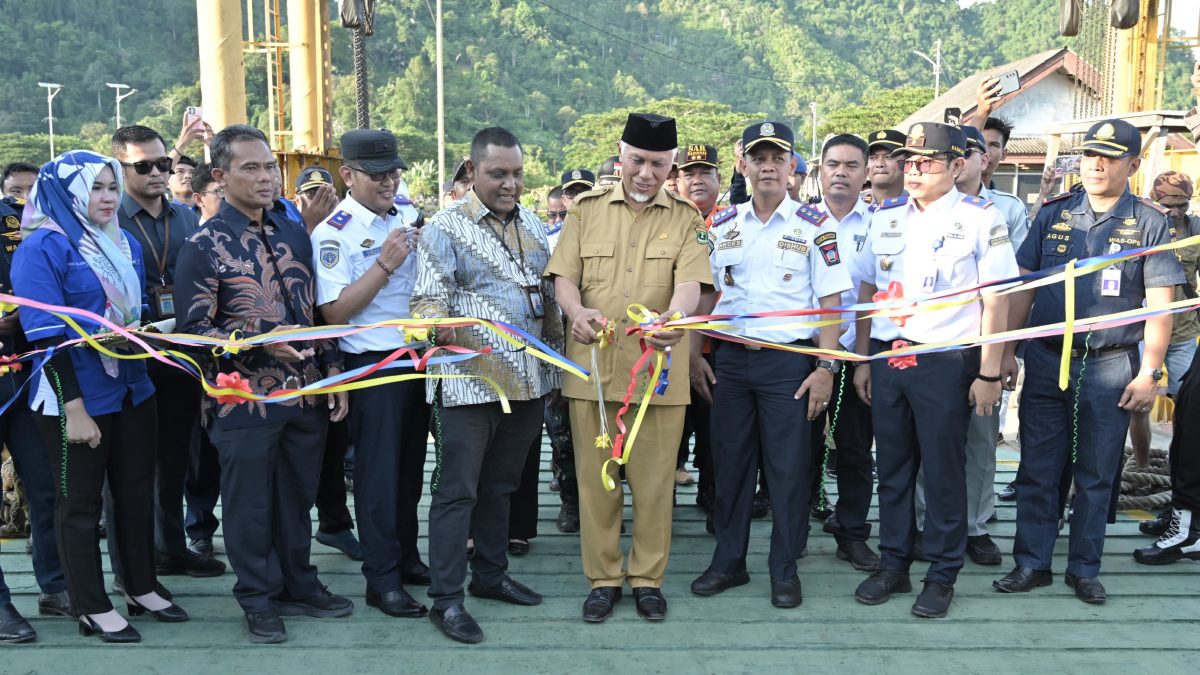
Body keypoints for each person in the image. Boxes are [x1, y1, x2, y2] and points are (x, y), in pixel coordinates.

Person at [175, 124, 352, 644]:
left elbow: (317, 311)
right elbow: (192, 332)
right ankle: (257, 597)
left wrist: (334, 370)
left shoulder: (294, 230)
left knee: (297, 497)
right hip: (242, 401)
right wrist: (257, 342)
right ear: (220, 175)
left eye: (269, 167)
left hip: (304, 390)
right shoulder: (203, 245)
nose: (265, 177)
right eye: (249, 168)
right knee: (249, 503)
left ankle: (299, 583)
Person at [994, 119, 1183, 604]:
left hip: (1111, 365)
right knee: (1038, 468)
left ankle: (1084, 569)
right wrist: (1009, 350)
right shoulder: (1053, 214)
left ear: (1133, 165)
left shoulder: (1150, 221)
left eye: (1110, 157)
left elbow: (1161, 304)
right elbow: (1025, 286)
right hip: (1047, 359)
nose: (1096, 164)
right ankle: (1032, 563)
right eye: (1091, 155)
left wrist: (1151, 371)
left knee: (1097, 473)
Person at [13, 150, 189, 643]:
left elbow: (133, 316)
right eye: (96, 188)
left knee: (136, 493)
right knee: (80, 503)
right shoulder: (45, 247)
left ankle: (140, 586)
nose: (108, 197)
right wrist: (74, 409)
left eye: (112, 187)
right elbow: (47, 336)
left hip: (132, 386)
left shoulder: (123, 242)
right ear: (66, 192)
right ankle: (90, 604)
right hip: (78, 397)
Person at [546, 112, 712, 623]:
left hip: (657, 372)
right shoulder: (585, 211)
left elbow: (691, 285)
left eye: (658, 164)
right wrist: (574, 312)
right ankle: (603, 579)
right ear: (621, 156)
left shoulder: (686, 218)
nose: (645, 173)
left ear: (671, 166)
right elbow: (564, 278)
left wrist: (676, 318)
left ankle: (646, 578)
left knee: (657, 484)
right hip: (593, 371)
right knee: (598, 483)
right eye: (637, 160)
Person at [851, 122, 1016, 618]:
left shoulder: (980, 219)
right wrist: (863, 359)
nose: (915, 170)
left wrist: (988, 373)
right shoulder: (884, 218)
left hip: (945, 360)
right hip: (887, 358)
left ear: (957, 166)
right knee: (894, 469)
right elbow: (864, 291)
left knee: (944, 472)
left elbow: (996, 299)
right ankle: (895, 565)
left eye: (928, 162)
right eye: (910, 161)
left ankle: (942, 574)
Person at [689, 121, 850, 609]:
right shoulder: (721, 226)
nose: (768, 167)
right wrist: (695, 353)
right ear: (743, 164)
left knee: (788, 471)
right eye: (758, 158)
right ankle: (728, 562)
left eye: (778, 158)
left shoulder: (816, 226)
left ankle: (784, 568)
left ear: (793, 167)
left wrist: (826, 368)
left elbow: (831, 302)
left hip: (789, 366)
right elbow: (706, 295)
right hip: (732, 364)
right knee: (732, 466)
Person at [412, 126, 563, 644]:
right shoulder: (444, 228)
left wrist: (559, 364)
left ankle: (491, 576)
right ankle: (446, 600)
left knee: (503, 486)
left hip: (529, 380)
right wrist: (442, 326)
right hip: (469, 381)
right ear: (472, 172)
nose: (510, 184)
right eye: (498, 173)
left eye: (517, 173)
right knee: (458, 491)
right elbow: (426, 302)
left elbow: (551, 299)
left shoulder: (538, 228)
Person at [312, 129, 430, 617]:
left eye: (394, 172)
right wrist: (384, 264)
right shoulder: (332, 233)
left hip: (414, 359)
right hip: (371, 365)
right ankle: (380, 580)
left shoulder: (405, 215)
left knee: (408, 472)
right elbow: (334, 313)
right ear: (348, 175)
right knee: (378, 476)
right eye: (377, 173)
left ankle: (404, 556)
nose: (388, 181)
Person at [110, 125, 221, 583]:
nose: (158, 172)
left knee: (177, 454)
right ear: (119, 169)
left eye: (164, 164)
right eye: (144, 166)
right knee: (131, 464)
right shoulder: (109, 218)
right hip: (129, 354)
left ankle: (172, 548)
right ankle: (134, 565)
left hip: (182, 350)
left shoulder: (186, 216)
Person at [804, 134, 880, 571]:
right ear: (820, 170)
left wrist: (864, 355)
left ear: (866, 171)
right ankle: (795, 528)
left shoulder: (881, 223)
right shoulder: (800, 221)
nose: (841, 172)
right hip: (802, 352)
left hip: (856, 352)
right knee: (800, 447)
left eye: (852, 165)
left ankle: (852, 534)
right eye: (833, 164)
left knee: (854, 450)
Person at [0, 197, 71, 629]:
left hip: (23, 375)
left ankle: (56, 585)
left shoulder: (14, 218)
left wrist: (21, 316)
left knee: (48, 486)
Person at [1133, 170, 1200, 562]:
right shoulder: (1142, 226)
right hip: (1141, 335)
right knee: (1133, 409)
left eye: (1180, 205)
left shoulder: (1195, 230)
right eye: (1166, 205)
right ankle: (1177, 511)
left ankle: (1184, 519)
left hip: (1183, 337)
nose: (1173, 213)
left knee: (1189, 428)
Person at [676, 143, 723, 524]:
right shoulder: (665, 222)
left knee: (715, 433)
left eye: (705, 172)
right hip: (668, 346)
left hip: (719, 348)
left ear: (719, 179)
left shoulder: (734, 222)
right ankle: (660, 504)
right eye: (689, 173)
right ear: (676, 180)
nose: (697, 180)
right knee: (668, 430)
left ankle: (712, 498)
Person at [863, 130, 906, 206]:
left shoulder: (918, 205)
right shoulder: (851, 204)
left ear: (906, 162)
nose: (879, 164)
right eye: (873, 158)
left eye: (889, 157)